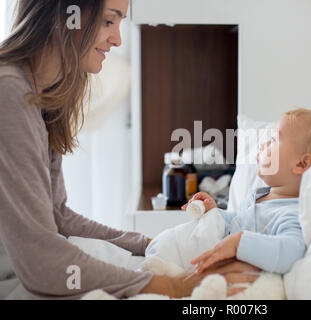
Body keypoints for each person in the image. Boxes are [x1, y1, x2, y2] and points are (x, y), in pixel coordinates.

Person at [0, 0, 258, 300]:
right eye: (109, 21)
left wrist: (149, 244)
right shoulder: (10, 94)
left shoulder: (41, 98)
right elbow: (41, 261)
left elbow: (59, 216)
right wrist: (175, 288)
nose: (117, 39)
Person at [183, 107, 311, 275]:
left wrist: (240, 244)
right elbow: (236, 222)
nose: (264, 144)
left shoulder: (293, 213)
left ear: (301, 164)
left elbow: (291, 252)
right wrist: (215, 213)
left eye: (274, 140)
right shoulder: (258, 195)